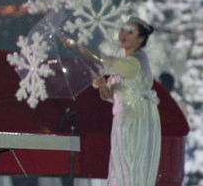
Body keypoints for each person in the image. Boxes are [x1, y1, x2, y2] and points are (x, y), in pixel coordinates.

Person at [67, 17, 161, 186]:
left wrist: (76, 46)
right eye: (123, 29)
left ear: (140, 39)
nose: (124, 34)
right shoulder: (125, 62)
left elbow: (105, 61)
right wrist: (103, 84)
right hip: (123, 120)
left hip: (135, 120)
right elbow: (108, 95)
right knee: (120, 166)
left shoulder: (136, 61)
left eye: (130, 31)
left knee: (131, 168)